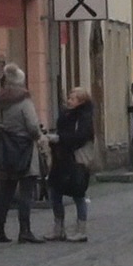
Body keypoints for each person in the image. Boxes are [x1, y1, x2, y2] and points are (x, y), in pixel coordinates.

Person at [0, 63, 46, 244]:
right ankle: (25, 230)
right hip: (24, 149)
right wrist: (38, 136)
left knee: (6, 191)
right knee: (26, 191)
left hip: (5, 149)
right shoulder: (24, 101)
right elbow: (32, 125)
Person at [46, 88, 95, 241]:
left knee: (78, 192)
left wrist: (59, 139)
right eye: (69, 97)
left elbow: (81, 137)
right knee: (55, 191)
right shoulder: (65, 114)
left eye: (73, 98)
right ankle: (58, 228)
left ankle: (81, 230)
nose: (69, 100)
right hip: (61, 157)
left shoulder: (84, 116)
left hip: (75, 159)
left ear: (81, 101)